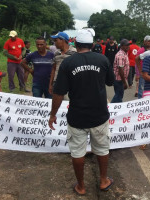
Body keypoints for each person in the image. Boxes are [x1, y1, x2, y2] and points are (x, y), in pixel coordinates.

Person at [48, 28, 114, 195]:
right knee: (102, 149)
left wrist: (53, 114)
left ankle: (81, 186)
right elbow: (110, 82)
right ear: (92, 45)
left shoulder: (68, 63)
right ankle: (104, 180)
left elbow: (59, 92)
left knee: (77, 152)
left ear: (75, 44)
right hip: (99, 115)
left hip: (76, 116)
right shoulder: (103, 60)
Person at [49, 32, 77, 96]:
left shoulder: (74, 52)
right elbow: (53, 69)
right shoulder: (56, 53)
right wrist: (50, 85)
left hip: (70, 83)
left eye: (56, 40)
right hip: (57, 83)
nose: (54, 43)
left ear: (63, 40)